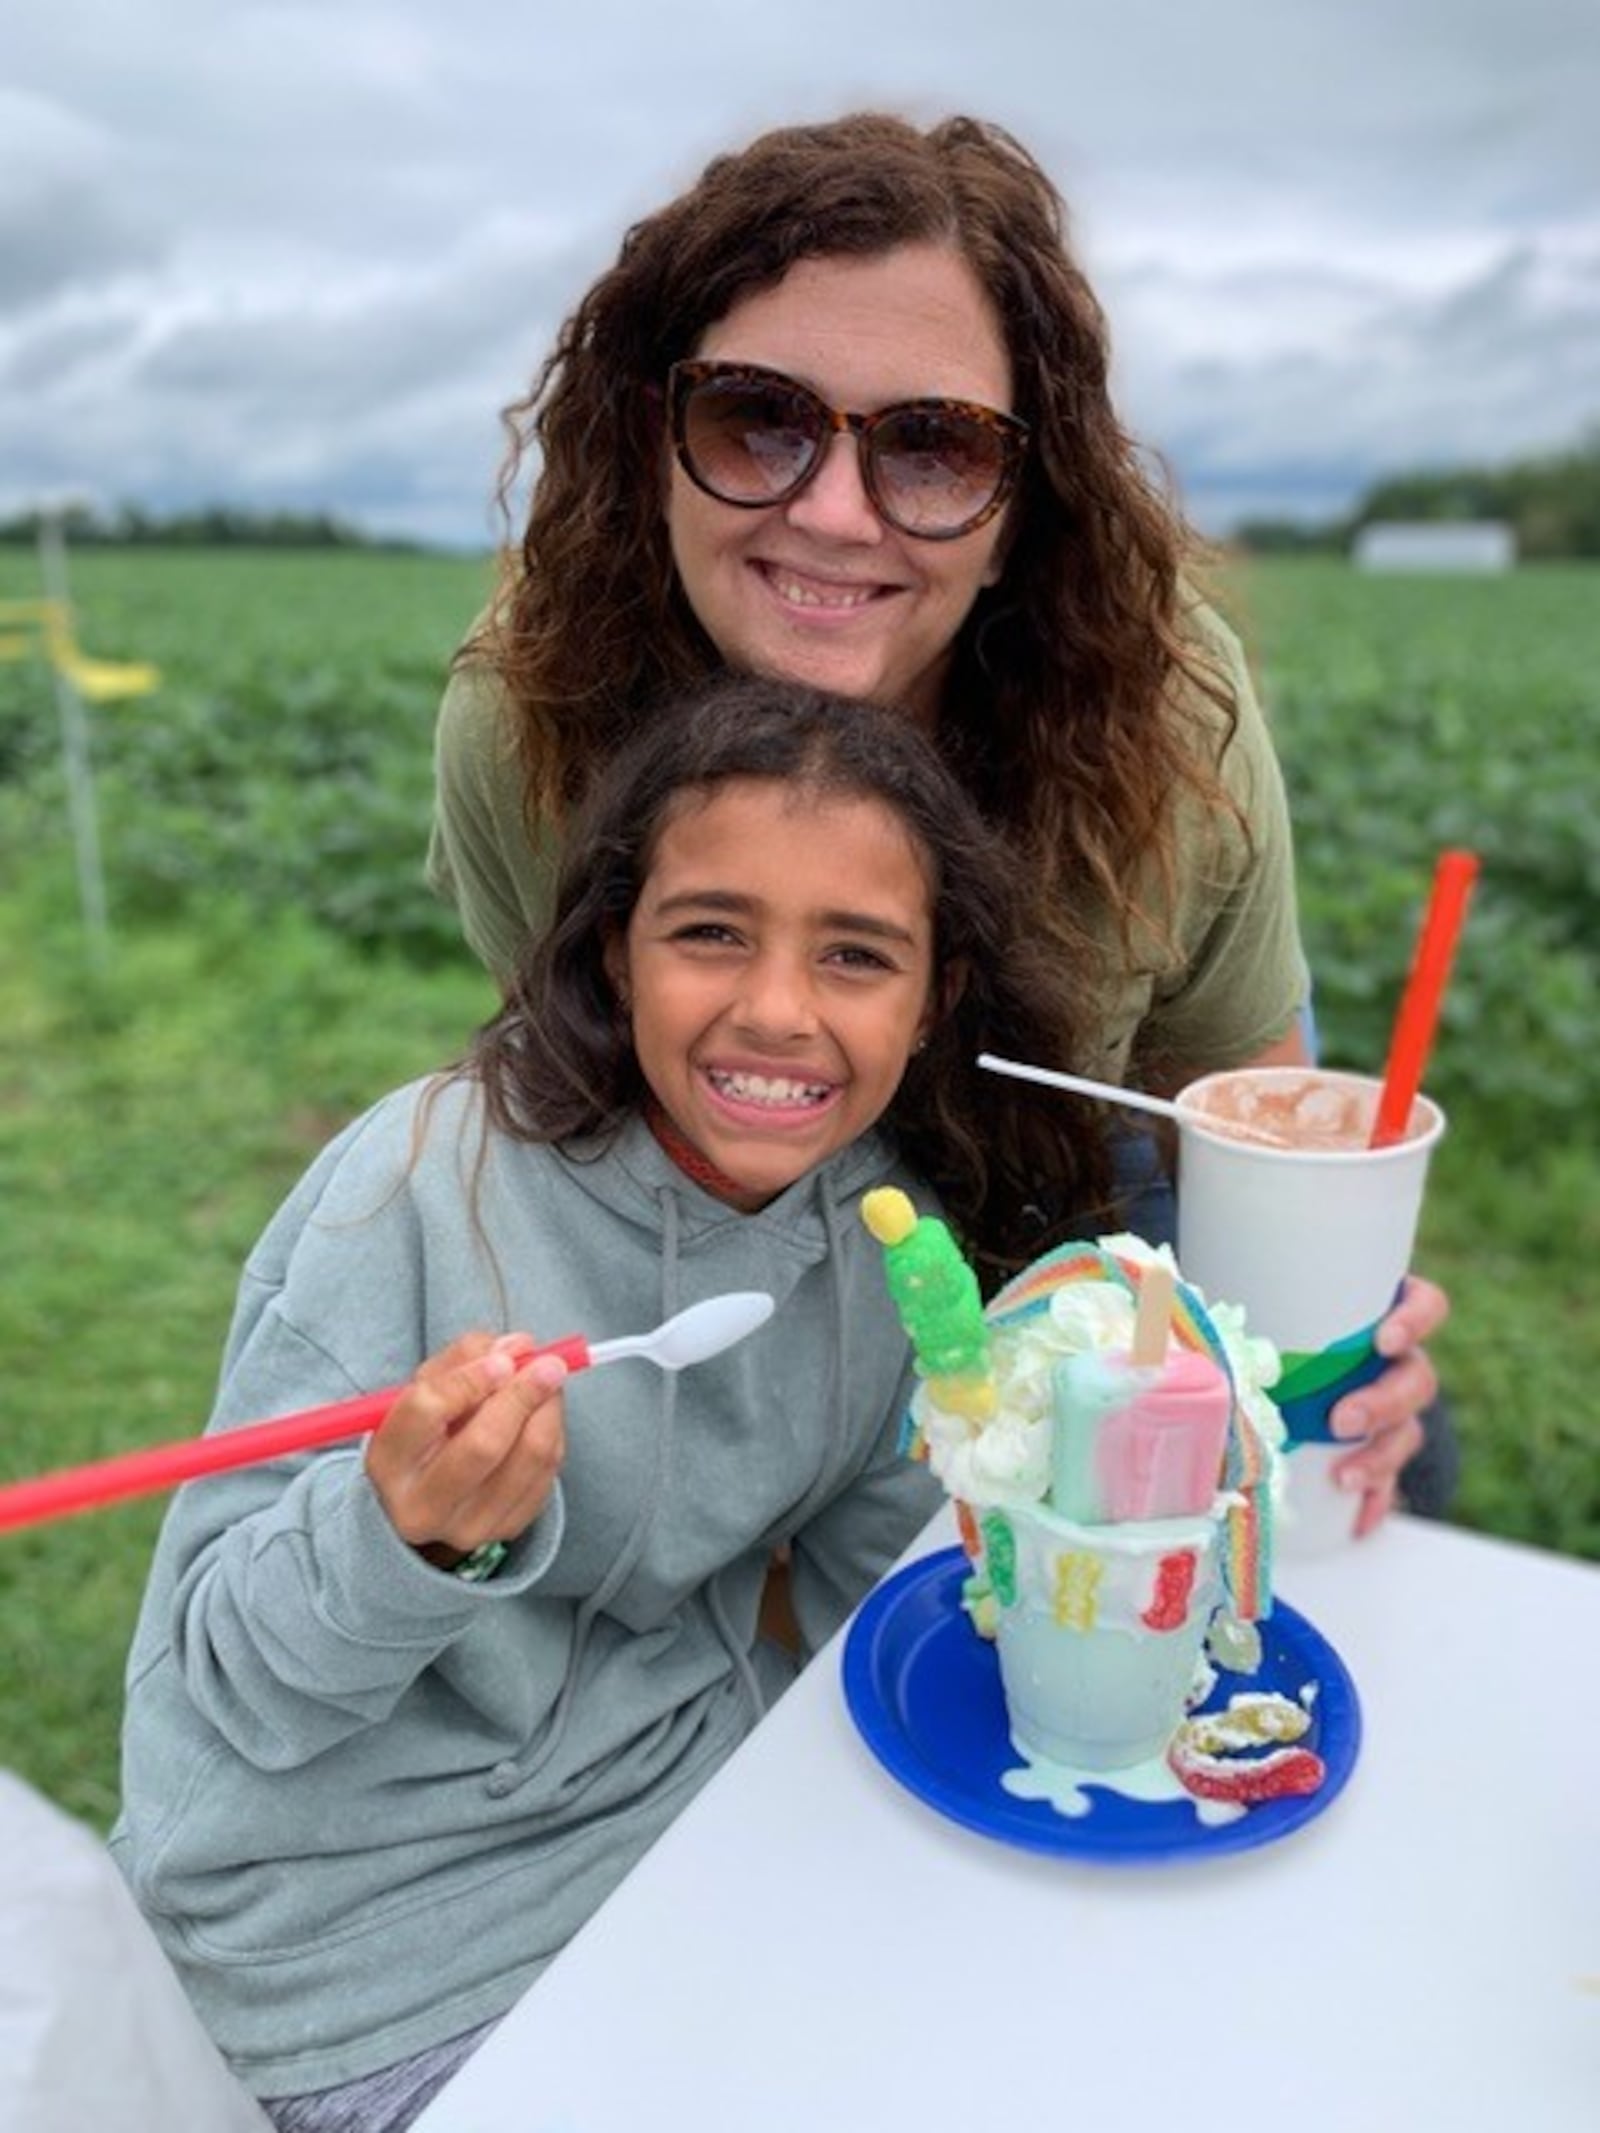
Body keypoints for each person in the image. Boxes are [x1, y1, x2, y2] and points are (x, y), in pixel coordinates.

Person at [426, 108, 1453, 1533]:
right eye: (756, 417)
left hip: (1078, 1201)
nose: (835, 513)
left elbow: (1248, 1099)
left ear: (1022, 500)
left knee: (1350, 1470)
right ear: (648, 432)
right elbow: (588, 1123)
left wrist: (1325, 1334)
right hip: (734, 1227)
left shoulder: (1164, 709)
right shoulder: (529, 721)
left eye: (935, 446)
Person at [113, 676, 1113, 2131]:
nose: (776, 1010)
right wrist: (404, 1545)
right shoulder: (415, 1188)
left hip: (682, 1828)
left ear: (934, 997)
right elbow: (233, 1690)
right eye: (711, 932)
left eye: (855, 955)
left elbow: (883, 1624)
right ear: (615, 950)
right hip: (350, 1929)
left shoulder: (897, 1244)